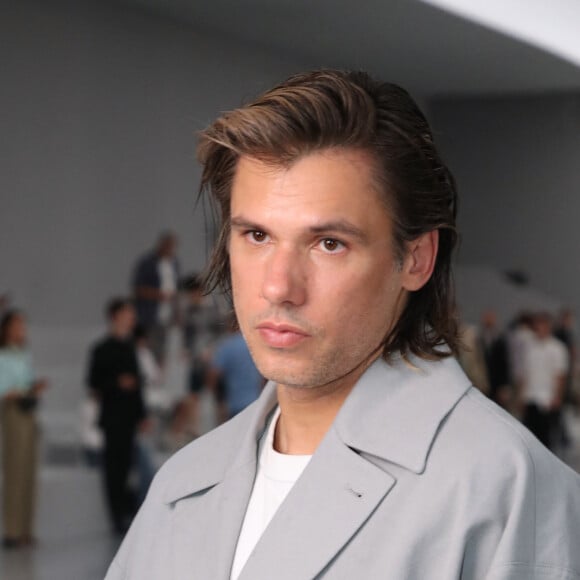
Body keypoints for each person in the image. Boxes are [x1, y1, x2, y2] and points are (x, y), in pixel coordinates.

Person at [106, 70, 580, 580]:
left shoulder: (506, 490)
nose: (278, 286)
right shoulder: (181, 484)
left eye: (329, 243)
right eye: (257, 235)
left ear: (416, 259)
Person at [87, 298, 148, 534]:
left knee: (128, 467)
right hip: (112, 417)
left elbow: (138, 384)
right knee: (114, 468)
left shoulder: (131, 347)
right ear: (115, 316)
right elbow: (93, 382)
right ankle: (116, 515)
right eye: (127, 313)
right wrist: (116, 383)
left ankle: (127, 510)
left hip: (129, 417)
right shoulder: (102, 349)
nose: (131, 318)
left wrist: (142, 414)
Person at [0, 310, 47, 548]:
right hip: (12, 411)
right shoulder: (3, 356)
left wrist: (33, 388)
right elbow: (5, 389)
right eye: (18, 325)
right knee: (15, 472)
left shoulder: (23, 353)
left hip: (27, 412)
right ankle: (12, 530)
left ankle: (26, 530)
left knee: (28, 473)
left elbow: (27, 382)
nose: (22, 330)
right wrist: (26, 389)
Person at [182, 273, 225, 434]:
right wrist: (186, 350)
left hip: (213, 356)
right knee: (193, 393)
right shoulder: (189, 310)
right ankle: (194, 429)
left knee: (218, 394)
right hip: (197, 358)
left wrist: (213, 350)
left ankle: (222, 425)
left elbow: (221, 332)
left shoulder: (214, 307)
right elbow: (188, 333)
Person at [520, 312, 568, 451]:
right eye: (538, 325)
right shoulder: (529, 347)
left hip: (547, 399)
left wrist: (557, 397)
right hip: (531, 396)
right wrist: (522, 395)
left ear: (548, 327)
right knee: (530, 436)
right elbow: (525, 373)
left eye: (543, 325)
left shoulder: (557, 348)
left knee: (546, 439)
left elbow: (560, 375)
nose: (540, 328)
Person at [132, 232, 180, 366]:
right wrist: (159, 295)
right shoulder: (147, 263)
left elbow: (175, 290)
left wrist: (177, 312)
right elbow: (139, 288)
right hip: (150, 315)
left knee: (164, 350)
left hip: (167, 315)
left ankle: (160, 376)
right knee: (149, 349)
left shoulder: (174, 263)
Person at [208, 316, 262, 420]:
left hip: (234, 403)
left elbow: (213, 374)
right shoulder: (256, 345)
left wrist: (216, 397)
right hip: (255, 402)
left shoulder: (226, 346)